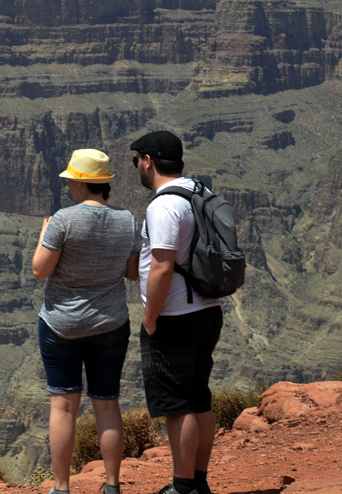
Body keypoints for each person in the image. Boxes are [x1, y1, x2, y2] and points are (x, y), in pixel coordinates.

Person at [32, 149, 141, 494]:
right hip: (110, 324)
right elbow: (133, 273)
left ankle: (62, 488)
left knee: (63, 407)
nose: (66, 185)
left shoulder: (63, 220)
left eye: (69, 180)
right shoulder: (127, 220)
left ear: (80, 182)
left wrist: (43, 235)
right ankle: (111, 486)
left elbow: (39, 270)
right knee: (106, 404)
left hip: (61, 325)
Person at [130, 131, 223, 494]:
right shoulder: (200, 193)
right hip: (207, 309)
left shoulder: (163, 204)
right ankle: (198, 482)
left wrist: (150, 316)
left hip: (174, 316)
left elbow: (162, 266)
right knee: (199, 396)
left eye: (137, 159)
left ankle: (182, 486)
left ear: (149, 160)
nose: (137, 166)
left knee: (177, 404)